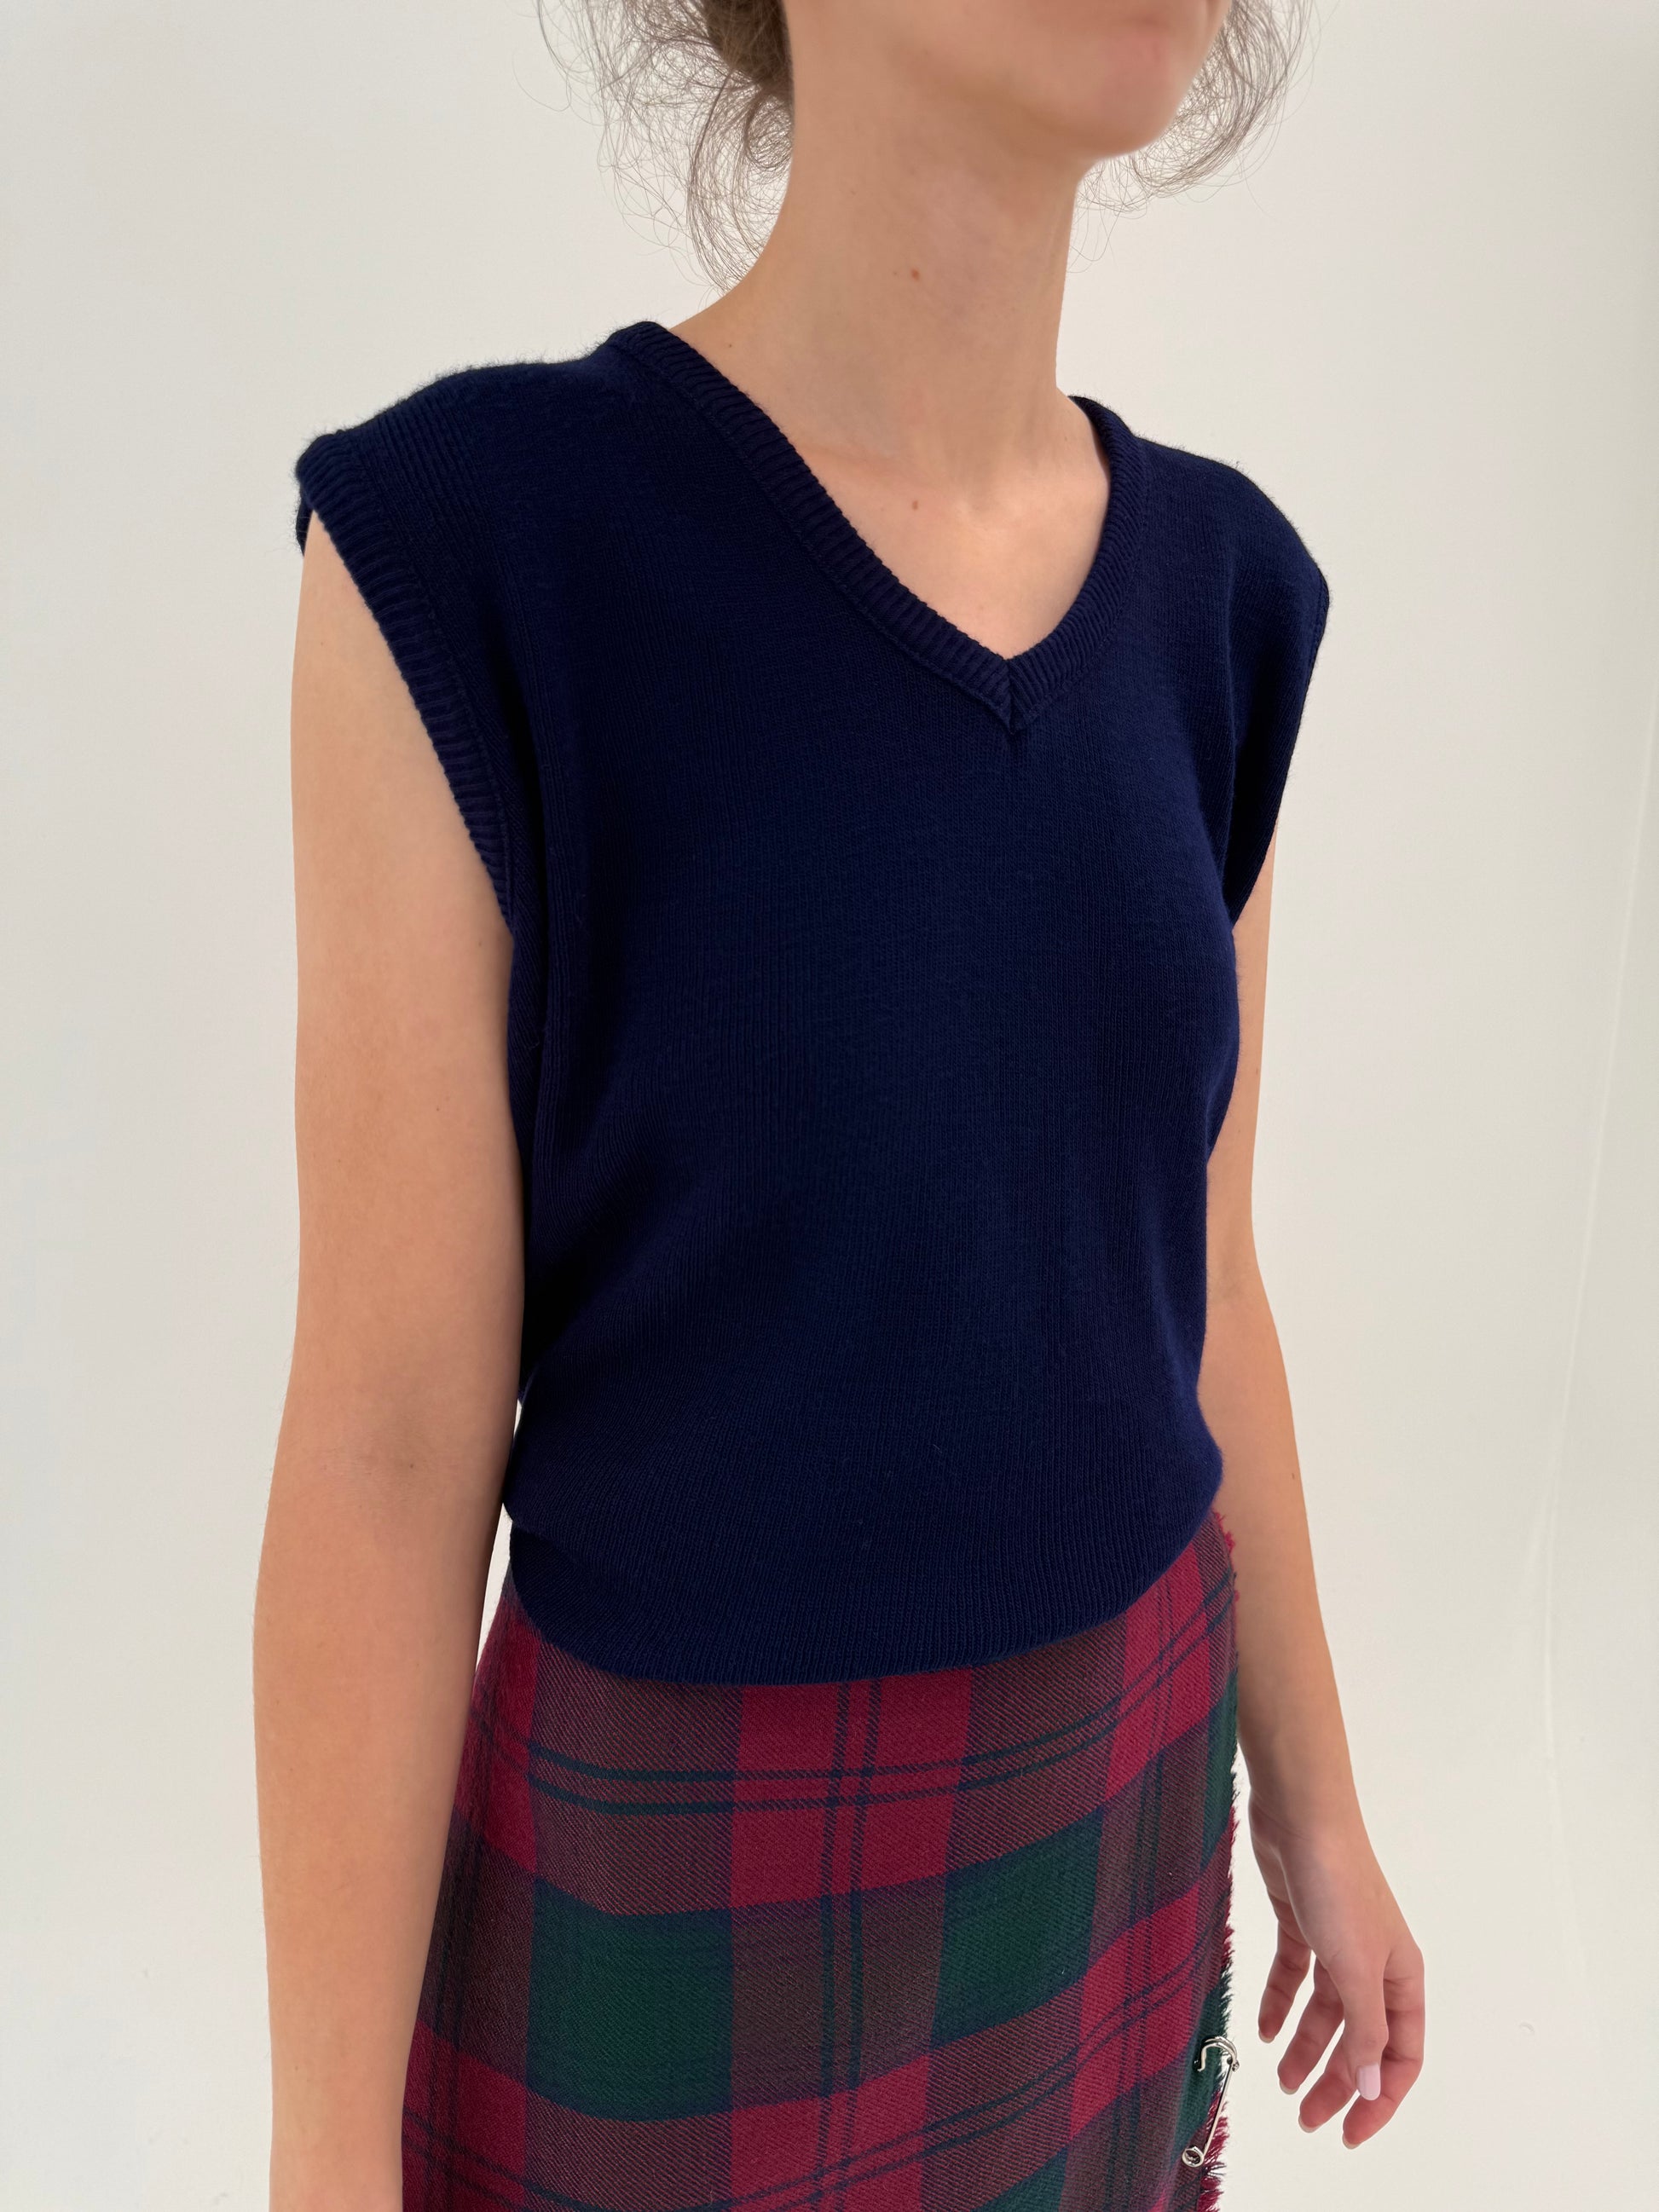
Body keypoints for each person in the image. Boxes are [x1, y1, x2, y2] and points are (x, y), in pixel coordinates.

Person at [252, 3, 1425, 2207]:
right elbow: (391, 1442)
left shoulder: (1222, 601)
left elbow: (1201, 1270)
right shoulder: (476, 554)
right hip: (672, 1862)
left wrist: (1320, 1811)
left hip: (1116, 1795)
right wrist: (325, 2154)